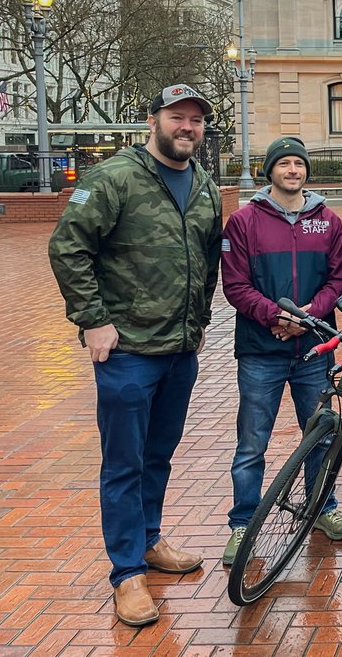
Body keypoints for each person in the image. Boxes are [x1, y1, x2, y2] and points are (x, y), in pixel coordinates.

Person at [48, 84, 222, 627]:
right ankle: (126, 574)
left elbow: (208, 258)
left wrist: (200, 323)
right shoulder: (115, 177)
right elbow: (68, 247)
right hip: (127, 351)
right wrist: (93, 320)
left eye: (195, 119)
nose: (186, 127)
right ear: (153, 120)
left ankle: (149, 541)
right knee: (123, 463)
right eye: (177, 117)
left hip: (179, 349)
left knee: (158, 455)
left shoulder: (205, 185)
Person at [219, 136, 342, 565]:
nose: (293, 170)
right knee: (251, 443)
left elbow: (338, 279)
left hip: (314, 350)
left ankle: (321, 510)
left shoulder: (328, 221)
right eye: (285, 164)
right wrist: (276, 316)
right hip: (261, 351)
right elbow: (235, 286)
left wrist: (309, 315)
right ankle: (243, 525)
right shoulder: (243, 222)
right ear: (270, 171)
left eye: (299, 163)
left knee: (320, 435)